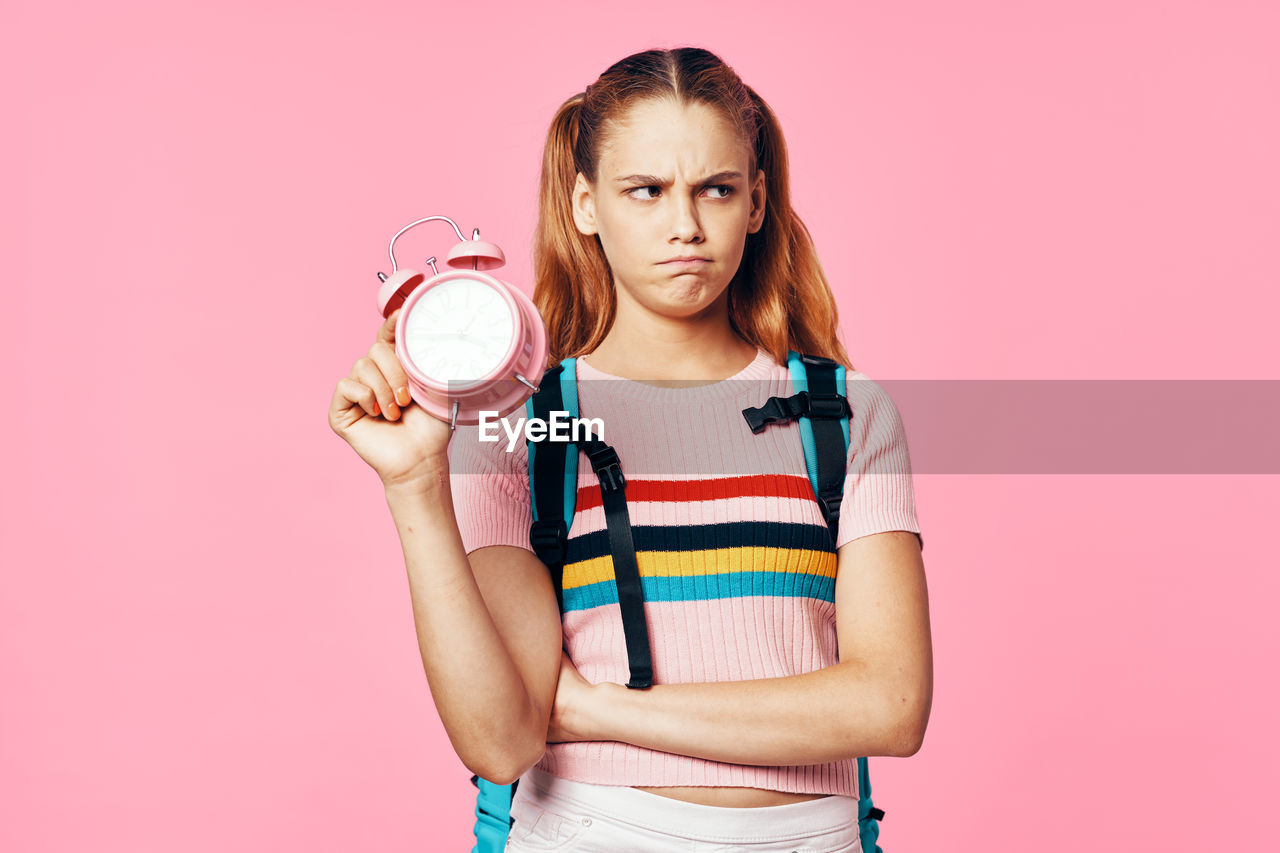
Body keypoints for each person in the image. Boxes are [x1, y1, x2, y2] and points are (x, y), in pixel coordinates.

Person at [329, 46, 932, 853]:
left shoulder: (846, 414)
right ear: (585, 203)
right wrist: (414, 481)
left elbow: (890, 708)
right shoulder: (523, 422)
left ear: (756, 202)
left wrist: (593, 708)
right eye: (645, 191)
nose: (684, 225)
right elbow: (503, 739)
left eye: (715, 189)